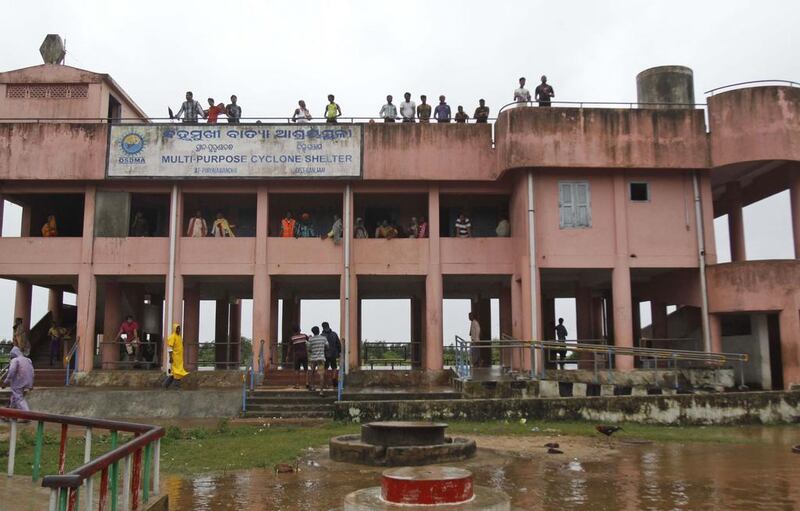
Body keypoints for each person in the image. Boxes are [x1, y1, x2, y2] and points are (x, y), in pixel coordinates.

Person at [2, 347, 33, 411]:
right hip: (26, 381)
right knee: (14, 397)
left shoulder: (15, 360)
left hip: (17, 382)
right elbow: (31, 372)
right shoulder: (28, 360)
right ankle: (10, 413)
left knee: (19, 398)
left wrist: (5, 382)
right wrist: (30, 384)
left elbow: (11, 372)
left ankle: (27, 415)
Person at [164, 323, 189, 389]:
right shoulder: (172, 337)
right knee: (177, 372)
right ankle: (176, 386)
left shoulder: (179, 337)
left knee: (174, 372)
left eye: (179, 328)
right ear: (174, 329)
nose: (178, 329)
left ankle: (165, 384)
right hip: (174, 357)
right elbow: (170, 348)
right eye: (177, 328)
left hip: (179, 358)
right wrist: (170, 357)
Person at [307, 326, 328, 395]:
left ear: (312, 332)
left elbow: (309, 349)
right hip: (321, 358)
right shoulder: (323, 338)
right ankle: (321, 391)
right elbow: (327, 346)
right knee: (321, 374)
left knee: (312, 372)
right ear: (319, 331)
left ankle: (313, 386)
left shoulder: (311, 339)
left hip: (313, 359)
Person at [321, 322, 341, 387]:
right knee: (334, 367)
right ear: (329, 326)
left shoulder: (322, 335)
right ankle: (334, 378)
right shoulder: (334, 334)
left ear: (323, 327)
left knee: (325, 368)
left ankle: (326, 383)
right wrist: (339, 352)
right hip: (333, 354)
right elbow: (338, 344)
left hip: (325, 354)